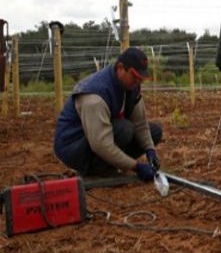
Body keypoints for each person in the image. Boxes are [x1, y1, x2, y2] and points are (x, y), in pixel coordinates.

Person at [54, 47, 163, 181]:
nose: (137, 82)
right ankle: (97, 170)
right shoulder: (94, 96)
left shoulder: (131, 87)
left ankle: (111, 163)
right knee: (125, 129)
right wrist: (136, 166)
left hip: (100, 138)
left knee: (154, 132)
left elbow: (140, 124)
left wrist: (150, 151)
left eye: (140, 78)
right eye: (134, 76)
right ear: (120, 68)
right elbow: (101, 144)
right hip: (74, 148)